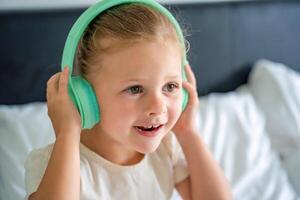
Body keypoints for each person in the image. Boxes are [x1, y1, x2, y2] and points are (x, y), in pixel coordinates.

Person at [25, 2, 232, 200]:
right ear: (85, 96)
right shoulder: (56, 162)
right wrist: (67, 133)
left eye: (170, 86)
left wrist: (188, 133)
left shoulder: (167, 149)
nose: (158, 107)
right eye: (135, 89)